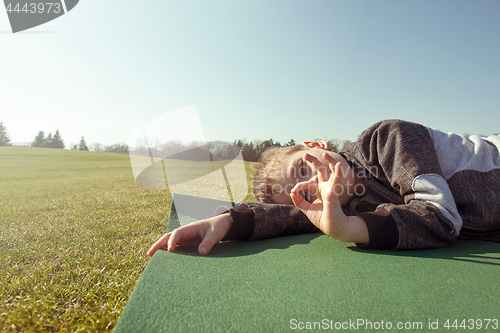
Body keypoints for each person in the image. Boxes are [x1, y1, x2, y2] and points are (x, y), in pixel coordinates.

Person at [148, 119, 500, 257]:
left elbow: (441, 217)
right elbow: (289, 215)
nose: (317, 183)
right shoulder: (342, 205)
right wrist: (228, 221)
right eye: (307, 193)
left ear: (315, 143)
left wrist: (348, 229)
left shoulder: (387, 139)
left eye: (304, 166)